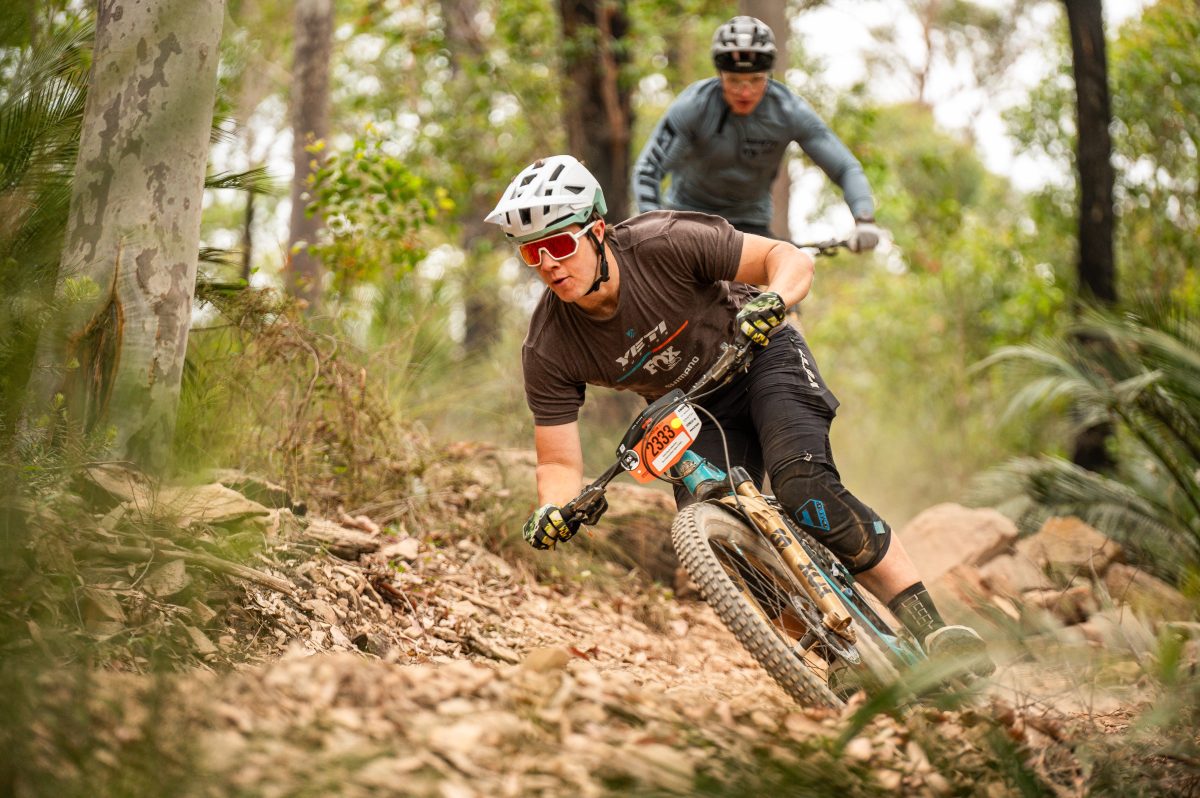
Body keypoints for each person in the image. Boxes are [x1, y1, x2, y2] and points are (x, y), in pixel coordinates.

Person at [484, 154, 994, 693]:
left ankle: (937, 637)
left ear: (598, 232)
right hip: (692, 408)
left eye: (559, 245)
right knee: (721, 542)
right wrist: (551, 508)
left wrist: (774, 299)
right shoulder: (548, 345)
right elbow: (559, 461)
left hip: (760, 355)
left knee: (804, 487)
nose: (548, 265)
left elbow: (785, 256)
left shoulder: (663, 242)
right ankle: (834, 655)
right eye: (531, 253)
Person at [632, 15, 881, 250]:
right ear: (720, 76)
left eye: (755, 80)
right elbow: (648, 169)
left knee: (785, 290)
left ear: (768, 75)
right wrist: (654, 226)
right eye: (734, 81)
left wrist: (864, 219)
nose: (745, 91)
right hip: (687, 218)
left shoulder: (789, 111)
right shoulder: (694, 106)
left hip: (750, 226)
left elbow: (844, 167)